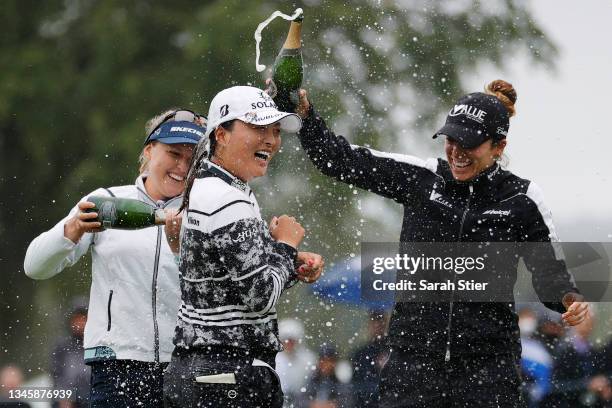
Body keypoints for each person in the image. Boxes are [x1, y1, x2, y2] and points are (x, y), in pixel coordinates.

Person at [294, 80, 590, 407]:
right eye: (451, 140)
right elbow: (340, 159)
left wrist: (568, 300)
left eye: (469, 144)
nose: (456, 152)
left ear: (499, 146)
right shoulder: (422, 178)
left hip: (487, 369)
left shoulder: (521, 197)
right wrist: (306, 118)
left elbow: (550, 274)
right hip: (413, 363)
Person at [23, 109, 206, 407]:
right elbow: (34, 266)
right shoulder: (106, 200)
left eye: (192, 159)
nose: (182, 167)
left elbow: (210, 294)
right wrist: (71, 231)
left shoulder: (207, 214)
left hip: (186, 365)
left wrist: (177, 249)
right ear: (149, 150)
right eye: (174, 154)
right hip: (116, 365)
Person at [163, 86, 324, 408]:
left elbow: (233, 285)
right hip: (226, 374)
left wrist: (290, 263)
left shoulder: (217, 187)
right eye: (258, 129)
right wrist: (287, 246)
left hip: (204, 370)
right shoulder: (225, 199)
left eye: (275, 131)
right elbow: (260, 296)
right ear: (221, 135)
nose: (271, 140)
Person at [50, 298, 90, 408]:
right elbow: (57, 375)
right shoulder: (62, 346)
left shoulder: (94, 344)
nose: (79, 323)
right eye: (76, 319)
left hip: (90, 396)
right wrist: (65, 396)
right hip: (68, 398)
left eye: (83, 319)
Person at [350, 309, 390, 407]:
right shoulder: (359, 354)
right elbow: (356, 383)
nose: (377, 327)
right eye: (374, 323)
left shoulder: (389, 351)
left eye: (380, 324)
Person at [275, 318, 317, 407]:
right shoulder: (274, 359)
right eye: (286, 339)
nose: (289, 343)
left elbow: (312, 385)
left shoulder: (309, 360)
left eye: (292, 340)